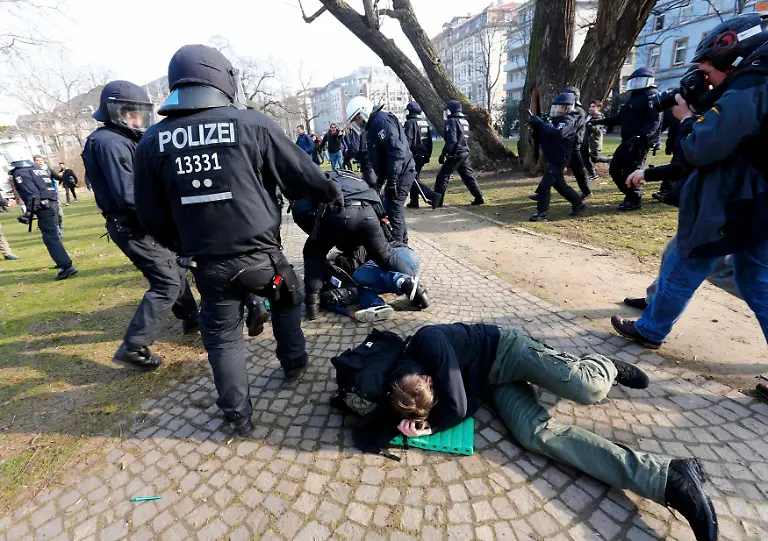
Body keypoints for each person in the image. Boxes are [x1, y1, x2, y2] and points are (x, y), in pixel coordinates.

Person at [133, 44, 341, 436]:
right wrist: (330, 191)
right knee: (286, 299)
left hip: (208, 266)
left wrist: (182, 246)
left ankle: (236, 415)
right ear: (221, 77)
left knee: (222, 338)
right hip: (263, 259)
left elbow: (149, 215)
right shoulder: (252, 125)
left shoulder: (151, 142)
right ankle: (294, 363)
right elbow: (303, 175)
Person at [353, 323, 717, 541]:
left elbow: (460, 407)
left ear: (430, 380)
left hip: (509, 350)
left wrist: (429, 426)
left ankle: (603, 365)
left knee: (585, 389)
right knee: (534, 435)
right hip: (493, 385)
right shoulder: (401, 386)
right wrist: (396, 427)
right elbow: (459, 405)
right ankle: (668, 478)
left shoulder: (429, 339)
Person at [611, 14, 768, 380]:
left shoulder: (754, 82)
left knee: (689, 261)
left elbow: (701, 147)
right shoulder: (754, 80)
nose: (706, 79)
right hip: (751, 199)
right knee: (750, 276)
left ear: (733, 58)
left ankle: (651, 330)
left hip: (734, 201)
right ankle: (652, 326)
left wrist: (685, 119)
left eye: (709, 71)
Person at [82, 80, 200, 371]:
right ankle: (134, 346)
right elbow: (128, 195)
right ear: (115, 112)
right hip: (133, 227)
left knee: (175, 268)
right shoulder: (108, 142)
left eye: (141, 114)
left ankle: (191, 317)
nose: (139, 121)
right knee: (167, 281)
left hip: (142, 223)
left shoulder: (122, 139)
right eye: (132, 114)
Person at [292, 169, 426, 320]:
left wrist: (316, 231)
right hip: (367, 214)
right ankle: (414, 288)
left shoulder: (317, 180)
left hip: (337, 213)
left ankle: (312, 305)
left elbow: (299, 211)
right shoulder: (356, 180)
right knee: (385, 255)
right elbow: (379, 207)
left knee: (313, 253)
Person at [590, 67, 662, 211]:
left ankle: (634, 199)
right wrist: (600, 122)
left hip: (639, 143)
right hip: (627, 141)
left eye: (640, 81)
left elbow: (654, 122)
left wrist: (641, 138)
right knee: (615, 168)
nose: (637, 84)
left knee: (632, 170)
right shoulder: (634, 98)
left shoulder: (652, 96)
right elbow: (620, 118)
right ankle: (629, 194)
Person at [347, 96, 416, 244]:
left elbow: (396, 151)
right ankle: (401, 241)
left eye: (357, 118)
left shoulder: (381, 121)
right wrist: (381, 179)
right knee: (390, 205)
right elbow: (381, 155)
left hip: (403, 171)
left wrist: (393, 180)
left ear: (364, 111)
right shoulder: (373, 125)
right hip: (397, 171)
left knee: (394, 207)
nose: (357, 122)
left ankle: (398, 246)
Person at [6, 148, 77, 279]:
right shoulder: (37, 169)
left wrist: (29, 213)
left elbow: (32, 195)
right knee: (53, 234)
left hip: (44, 207)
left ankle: (66, 265)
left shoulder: (20, 173)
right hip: (52, 203)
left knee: (50, 237)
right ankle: (62, 261)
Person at [527, 92, 587, 222]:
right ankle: (578, 203)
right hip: (554, 156)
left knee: (545, 185)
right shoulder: (559, 120)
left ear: (566, 108)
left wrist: (542, 124)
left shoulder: (569, 121)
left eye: (560, 107)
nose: (557, 109)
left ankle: (541, 213)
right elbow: (547, 133)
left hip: (559, 158)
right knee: (560, 185)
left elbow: (557, 134)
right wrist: (537, 125)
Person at [433, 100, 484, 208]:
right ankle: (479, 197)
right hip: (464, 151)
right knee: (468, 176)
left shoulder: (452, 121)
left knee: (442, 176)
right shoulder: (464, 121)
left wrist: (444, 153)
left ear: (451, 110)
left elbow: (452, 140)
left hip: (456, 153)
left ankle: (437, 201)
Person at [403, 102, 437, 209]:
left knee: (411, 178)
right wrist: (428, 155)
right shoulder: (424, 123)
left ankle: (432, 195)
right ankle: (414, 201)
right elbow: (429, 141)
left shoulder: (410, 123)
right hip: (422, 154)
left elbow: (407, 141)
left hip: (414, 155)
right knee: (414, 177)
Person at [563, 87, 592, 199]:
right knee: (555, 169)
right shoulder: (569, 110)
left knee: (578, 170)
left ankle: (587, 192)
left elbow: (576, 129)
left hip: (575, 145)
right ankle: (542, 192)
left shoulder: (579, 111)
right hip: (568, 144)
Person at [34, 155, 64, 233]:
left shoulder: (48, 169)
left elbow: (57, 177)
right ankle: (55, 230)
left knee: (59, 213)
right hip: (42, 195)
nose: (40, 162)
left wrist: (62, 176)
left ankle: (59, 225)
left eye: (41, 160)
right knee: (49, 213)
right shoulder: (33, 171)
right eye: (37, 160)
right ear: (34, 162)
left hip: (53, 193)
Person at [583, 100, 607, 180]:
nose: (591, 108)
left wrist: (591, 125)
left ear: (599, 108)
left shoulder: (600, 117)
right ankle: (593, 174)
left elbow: (599, 130)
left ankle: (611, 159)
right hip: (585, 141)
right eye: (590, 106)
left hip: (594, 142)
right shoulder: (587, 116)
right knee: (585, 158)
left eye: (593, 106)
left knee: (595, 158)